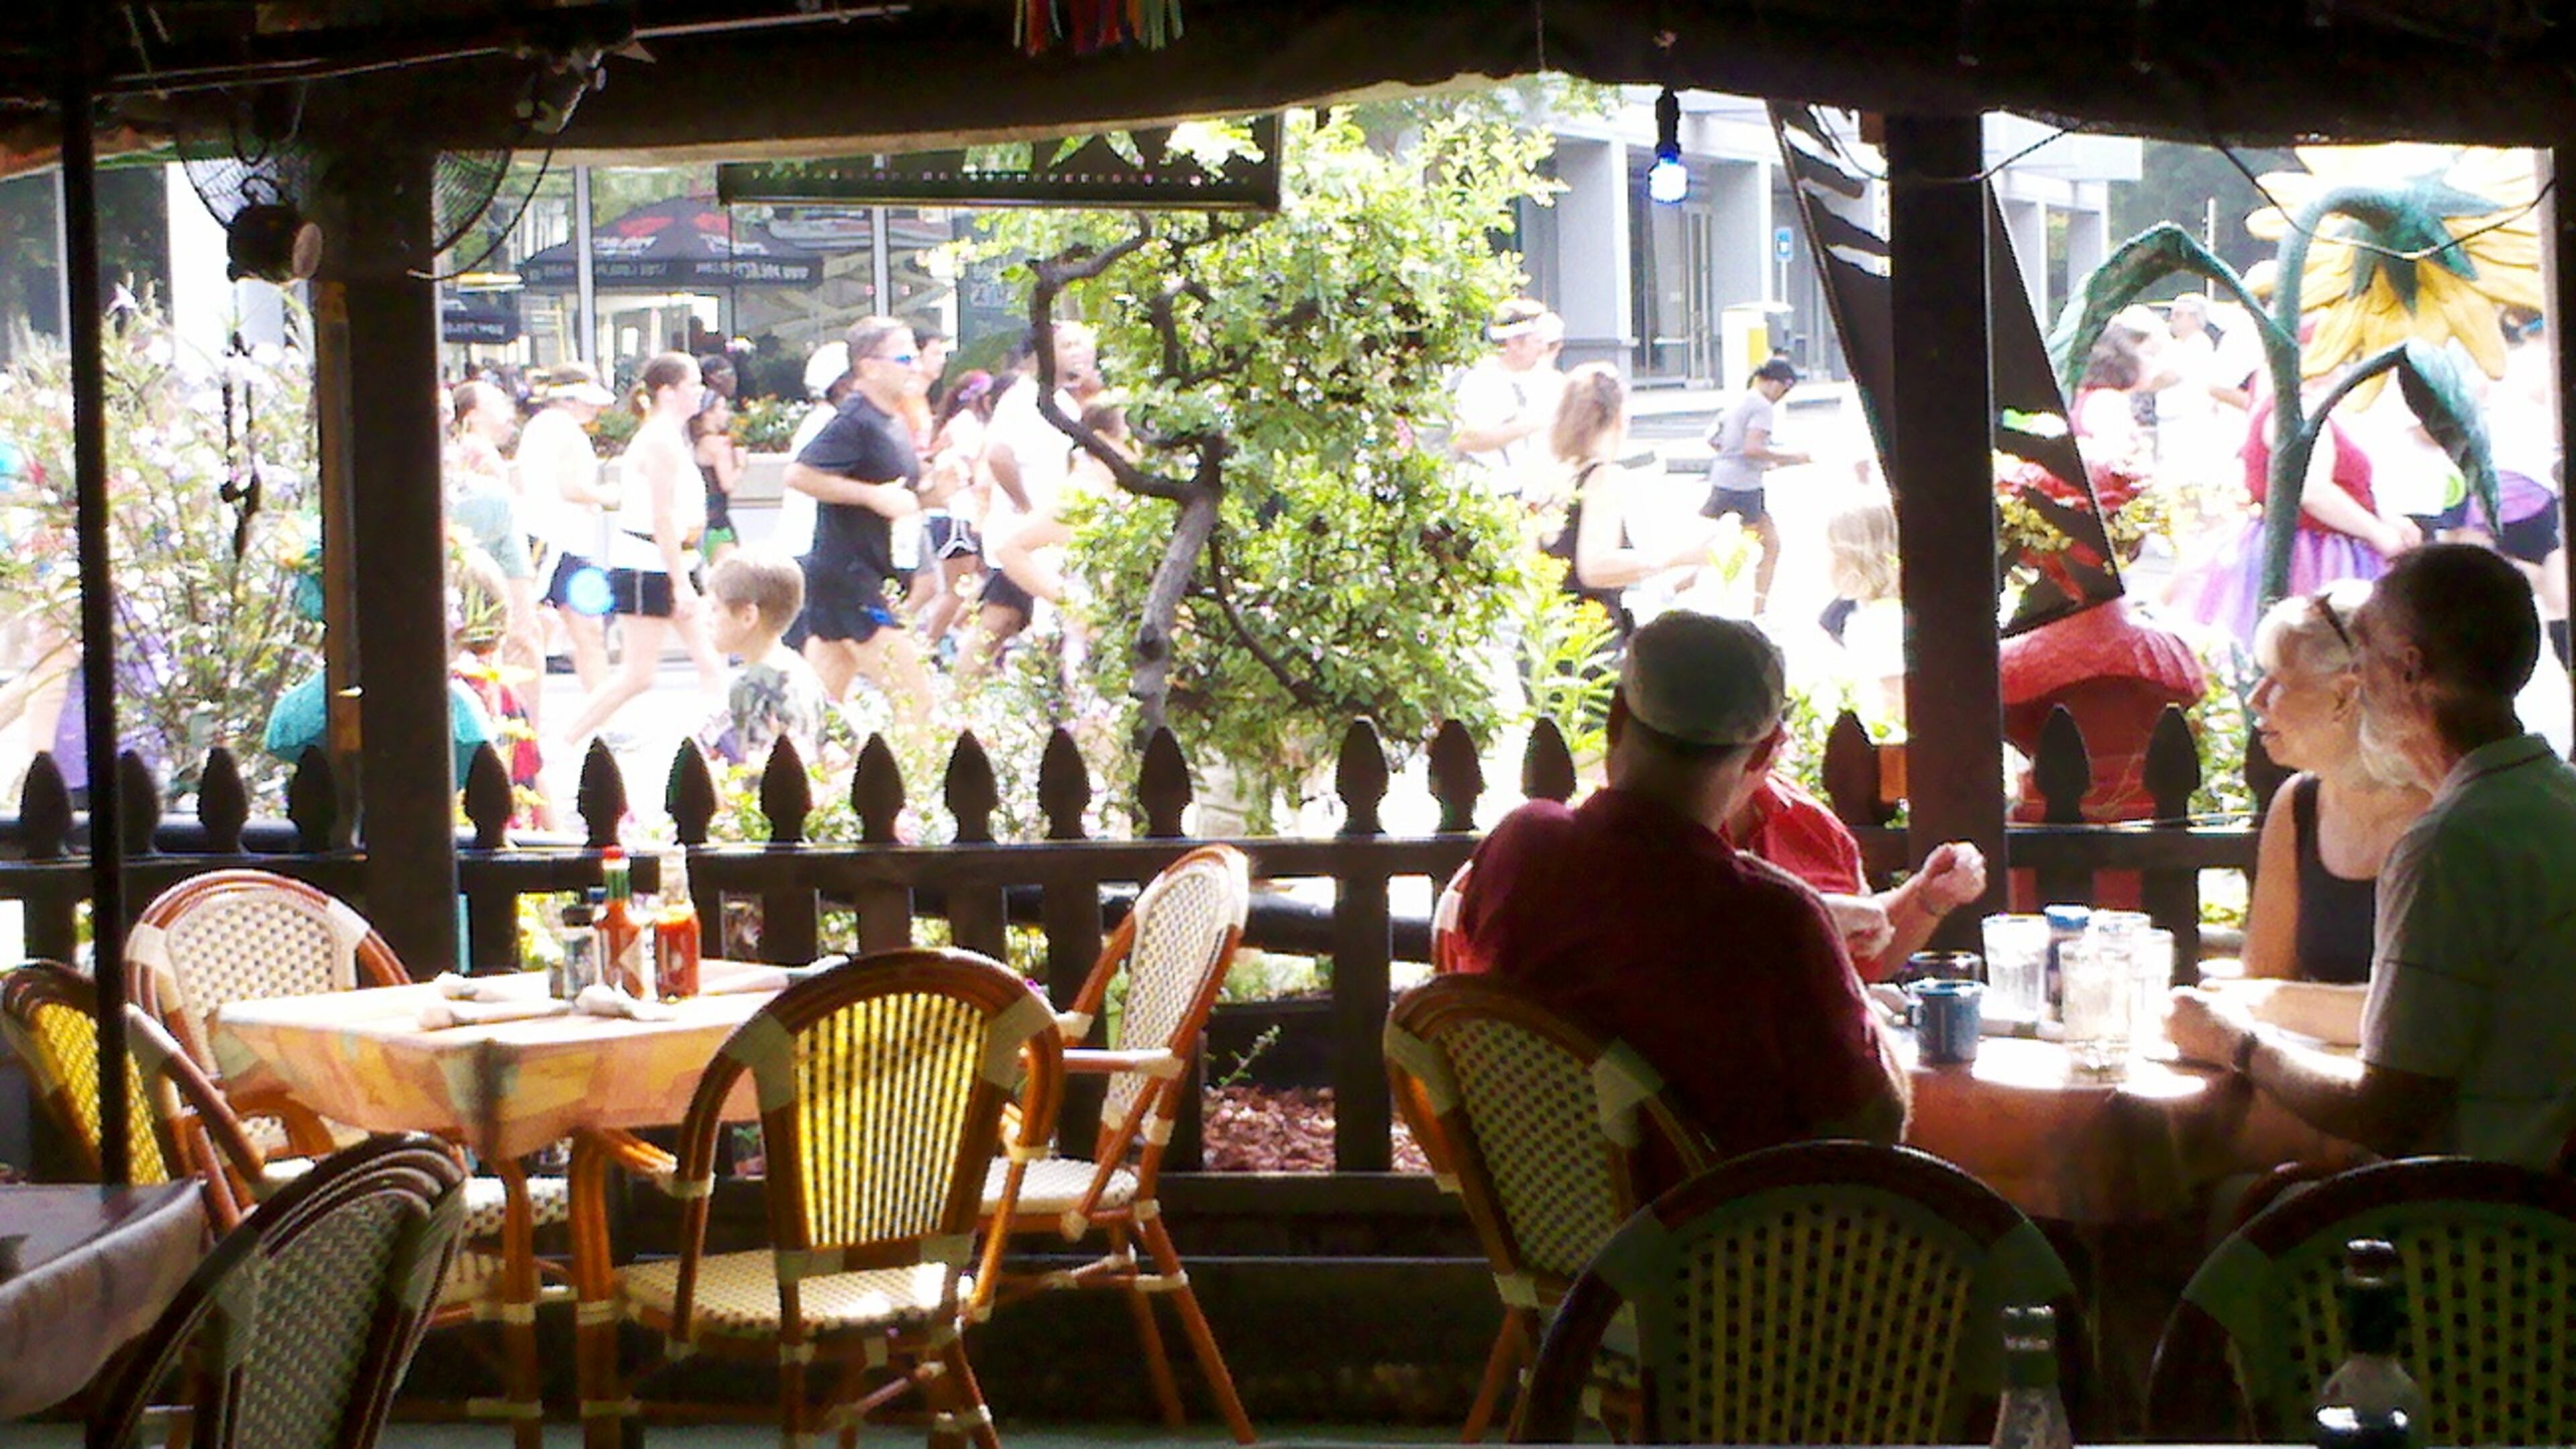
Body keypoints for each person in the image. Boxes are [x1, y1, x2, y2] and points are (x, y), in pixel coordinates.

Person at [2169, 543, 2576, 1169]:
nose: (2356, 683)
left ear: (2410, 671)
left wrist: (2235, 1042)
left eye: (2363, 658)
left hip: (2483, 1223)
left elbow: (2385, 1113)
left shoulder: (2452, 841)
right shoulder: (2553, 797)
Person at [1449, 611, 1909, 1164]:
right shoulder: (1773, 919)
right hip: (1721, 1237)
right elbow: (1875, 1130)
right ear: (1766, 752)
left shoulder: (1521, 845)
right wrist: (1842, 976)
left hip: (1545, 1219)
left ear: (1617, 717)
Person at [2241, 582, 2430, 989]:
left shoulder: (2444, 809)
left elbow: (2427, 1008)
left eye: (2278, 680)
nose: (2256, 699)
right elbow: (2262, 980)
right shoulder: (2298, 805)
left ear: (2345, 695)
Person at [559, 352, 719, 745]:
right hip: (651, 564)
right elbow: (662, 516)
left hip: (668, 560)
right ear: (667, 392)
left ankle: (721, 745)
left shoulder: (667, 437)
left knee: (709, 659)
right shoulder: (660, 440)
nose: (700, 394)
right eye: (693, 386)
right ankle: (563, 740)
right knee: (638, 674)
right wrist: (681, 583)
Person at [784, 315, 933, 727]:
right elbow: (799, 474)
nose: (915, 366)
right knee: (917, 703)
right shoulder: (854, 420)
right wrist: (873, 496)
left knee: (820, 714)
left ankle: (788, 779)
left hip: (865, 574)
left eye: (916, 356)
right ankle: (918, 789)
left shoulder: (893, 421)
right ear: (868, 366)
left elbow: (899, 497)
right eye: (905, 357)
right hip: (852, 580)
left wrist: (937, 488)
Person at [1532, 364, 1717, 642]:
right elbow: (1595, 567)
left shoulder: (1550, 476)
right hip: (1591, 638)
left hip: (1543, 635)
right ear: (1617, 417)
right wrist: (1684, 555)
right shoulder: (1603, 477)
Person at [974, 323, 1101, 673]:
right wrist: (1028, 507)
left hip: (1048, 534)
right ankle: (956, 699)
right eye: (1069, 345)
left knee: (1015, 620)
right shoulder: (1022, 397)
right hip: (1023, 533)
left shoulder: (1063, 404)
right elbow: (999, 456)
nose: (1080, 352)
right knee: (998, 621)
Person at [521, 362, 620, 695]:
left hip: (549, 541)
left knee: (575, 630)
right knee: (585, 632)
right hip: (556, 544)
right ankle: (601, 716)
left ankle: (598, 714)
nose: (594, 408)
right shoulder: (565, 431)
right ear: (571, 399)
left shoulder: (539, 427)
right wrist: (612, 496)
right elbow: (573, 488)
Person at [445, 380, 541, 720]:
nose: (508, 414)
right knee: (523, 640)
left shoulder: (466, 459)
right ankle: (527, 742)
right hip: (486, 583)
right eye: (497, 405)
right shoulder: (485, 480)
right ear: (470, 417)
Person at [696, 552, 830, 771]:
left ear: (748, 616)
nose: (707, 620)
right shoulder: (800, 669)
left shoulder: (750, 686)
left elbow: (753, 770)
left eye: (714, 609)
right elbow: (848, 735)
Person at [1701, 358, 1809, 617]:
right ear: (1773, 383)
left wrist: (1738, 457)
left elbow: (1714, 439)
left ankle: (1680, 585)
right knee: (1759, 546)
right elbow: (1753, 449)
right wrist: (1793, 458)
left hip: (1724, 478)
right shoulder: (1762, 407)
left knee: (1739, 542)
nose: (1782, 397)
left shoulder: (1741, 400)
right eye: (1784, 390)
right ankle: (1756, 609)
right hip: (1745, 487)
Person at [1448, 298, 1562, 500]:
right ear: (1515, 344)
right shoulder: (1481, 382)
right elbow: (1464, 440)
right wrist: (1522, 427)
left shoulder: (1550, 382)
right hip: (1495, 496)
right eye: (1537, 341)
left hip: (1542, 497)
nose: (1544, 348)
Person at [694, 354, 743, 562]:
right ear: (708, 413)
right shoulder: (719, 445)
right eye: (722, 409)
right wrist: (740, 464)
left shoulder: (696, 442)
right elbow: (727, 483)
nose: (727, 414)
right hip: (719, 523)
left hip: (700, 523)